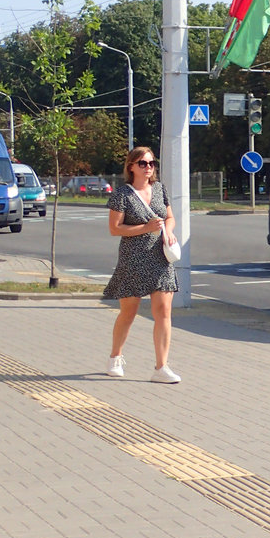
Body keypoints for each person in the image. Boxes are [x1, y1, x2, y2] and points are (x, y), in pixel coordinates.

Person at [102, 147, 181, 383]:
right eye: (143, 163)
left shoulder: (159, 189)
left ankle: (161, 367)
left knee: (163, 312)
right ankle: (115, 357)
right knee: (129, 312)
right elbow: (115, 228)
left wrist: (168, 230)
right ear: (131, 166)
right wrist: (145, 228)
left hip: (160, 257)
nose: (149, 167)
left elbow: (170, 216)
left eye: (151, 163)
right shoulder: (122, 195)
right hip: (133, 258)